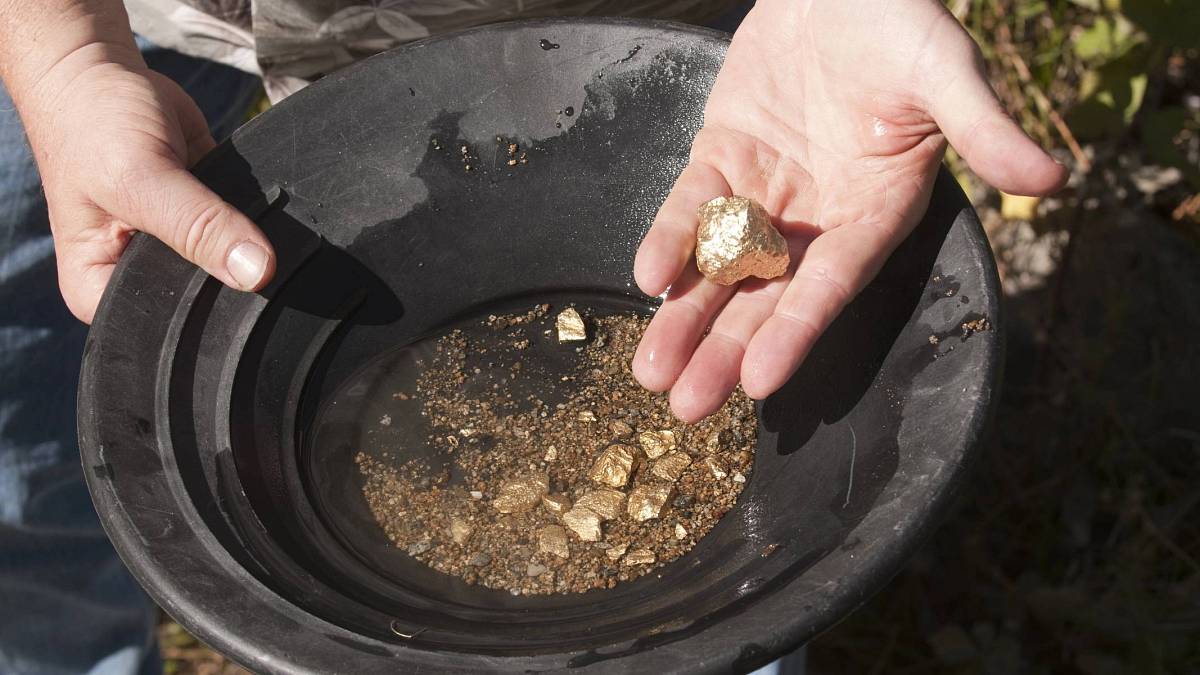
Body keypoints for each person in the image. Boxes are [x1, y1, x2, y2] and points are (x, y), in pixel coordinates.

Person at [0, 0, 1067, 671]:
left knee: (724, 580)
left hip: (647, 37)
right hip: (159, 28)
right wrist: (57, 55)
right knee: (37, 465)